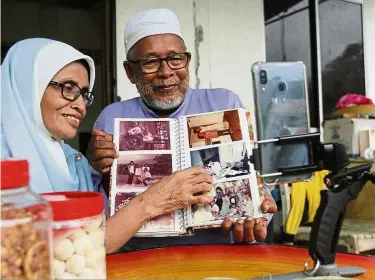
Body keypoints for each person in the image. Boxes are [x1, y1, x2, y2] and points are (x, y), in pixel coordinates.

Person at [87, 8, 277, 251]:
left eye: (175, 58)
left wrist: (258, 212)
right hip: (138, 258)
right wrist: (95, 167)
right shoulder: (111, 117)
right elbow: (94, 201)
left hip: (216, 256)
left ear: (186, 60)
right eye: (150, 62)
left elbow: (256, 184)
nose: (166, 72)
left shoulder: (224, 104)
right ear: (129, 72)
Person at [1, 38, 213, 254]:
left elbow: (91, 240)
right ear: (27, 84)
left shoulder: (74, 163)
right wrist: (152, 201)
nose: (80, 105)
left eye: (84, 94)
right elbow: (43, 254)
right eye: (68, 88)